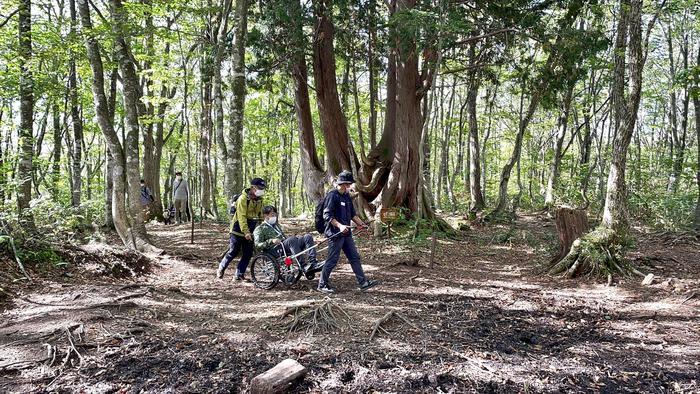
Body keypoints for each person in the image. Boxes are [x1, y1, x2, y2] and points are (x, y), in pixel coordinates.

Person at [318, 170, 378, 294]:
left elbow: (352, 214)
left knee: (354, 257)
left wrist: (361, 224)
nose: (350, 186)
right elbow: (327, 215)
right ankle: (322, 284)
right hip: (335, 234)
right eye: (348, 183)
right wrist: (340, 226)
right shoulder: (332, 195)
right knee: (332, 259)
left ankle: (363, 283)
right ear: (343, 183)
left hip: (346, 234)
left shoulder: (346, 196)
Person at [217, 178, 266, 280]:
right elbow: (241, 217)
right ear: (253, 188)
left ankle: (239, 275)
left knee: (248, 254)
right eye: (259, 188)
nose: (261, 190)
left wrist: (262, 227)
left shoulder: (260, 200)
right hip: (238, 229)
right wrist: (246, 232)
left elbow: (260, 215)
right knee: (233, 251)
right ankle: (221, 267)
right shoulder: (243, 199)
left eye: (262, 188)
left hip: (251, 228)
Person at [253, 205, 320, 279]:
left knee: (307, 237)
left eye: (275, 214)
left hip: (284, 247)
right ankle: (303, 266)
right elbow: (258, 245)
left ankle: (313, 262)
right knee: (291, 239)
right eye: (272, 214)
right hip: (273, 250)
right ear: (265, 215)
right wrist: (271, 241)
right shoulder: (260, 229)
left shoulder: (277, 226)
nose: (274, 216)